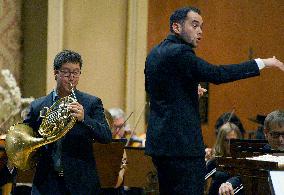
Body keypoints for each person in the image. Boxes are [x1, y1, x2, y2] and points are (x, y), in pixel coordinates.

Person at [144, 6, 284, 195]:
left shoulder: (154, 54)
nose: (200, 31)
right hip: (182, 148)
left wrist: (189, 91)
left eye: (201, 26)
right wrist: (262, 62)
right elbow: (217, 74)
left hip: (161, 146)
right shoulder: (181, 53)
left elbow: (158, 93)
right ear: (176, 27)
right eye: (194, 25)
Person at [23, 50, 112, 195]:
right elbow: (27, 138)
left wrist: (85, 119)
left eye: (76, 73)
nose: (71, 78)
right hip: (46, 183)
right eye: (66, 73)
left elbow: (106, 136)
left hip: (80, 183)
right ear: (55, 73)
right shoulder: (37, 105)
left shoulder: (91, 103)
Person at [206, 123, 243, 195]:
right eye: (226, 141)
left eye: (233, 141)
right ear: (221, 141)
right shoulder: (215, 160)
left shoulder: (244, 161)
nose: (230, 145)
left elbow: (241, 178)